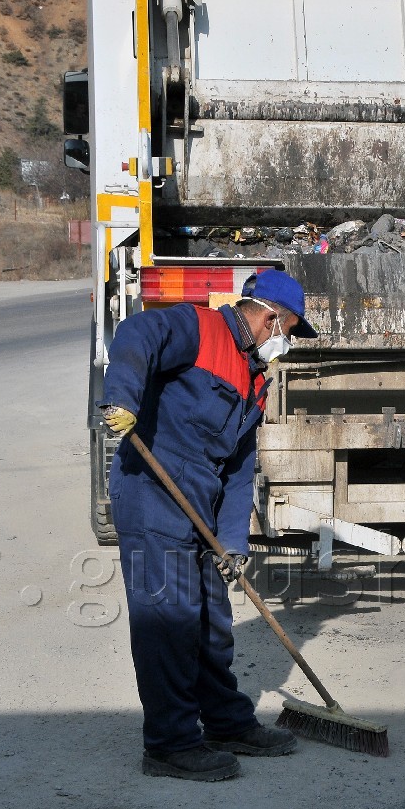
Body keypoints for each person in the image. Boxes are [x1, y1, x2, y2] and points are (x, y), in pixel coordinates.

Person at [98, 269, 318, 779]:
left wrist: (233, 542)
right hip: (153, 497)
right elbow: (137, 334)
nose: (284, 343)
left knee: (212, 626)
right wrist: (125, 397)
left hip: (201, 512)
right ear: (269, 318)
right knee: (169, 623)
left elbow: (240, 469)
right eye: (286, 331)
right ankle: (170, 744)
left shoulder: (254, 380)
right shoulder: (199, 329)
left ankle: (224, 722)